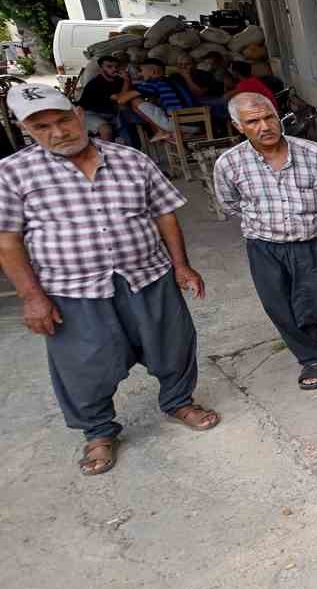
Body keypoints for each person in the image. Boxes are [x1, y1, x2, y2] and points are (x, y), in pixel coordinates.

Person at [0, 85, 219, 478]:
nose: (58, 132)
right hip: (72, 289)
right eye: (41, 126)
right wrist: (32, 297)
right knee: (84, 365)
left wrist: (181, 266)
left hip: (147, 275)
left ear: (79, 115)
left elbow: (164, 214)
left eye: (63, 120)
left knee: (172, 344)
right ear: (25, 130)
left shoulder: (131, 159)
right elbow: (7, 240)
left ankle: (178, 402)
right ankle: (98, 431)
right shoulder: (12, 173)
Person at [213, 92, 317, 391]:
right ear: (238, 126)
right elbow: (230, 204)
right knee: (281, 307)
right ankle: (311, 358)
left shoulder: (313, 153)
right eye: (253, 121)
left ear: (278, 116)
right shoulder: (229, 164)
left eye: (269, 117)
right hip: (265, 248)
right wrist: (267, 222)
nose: (264, 126)